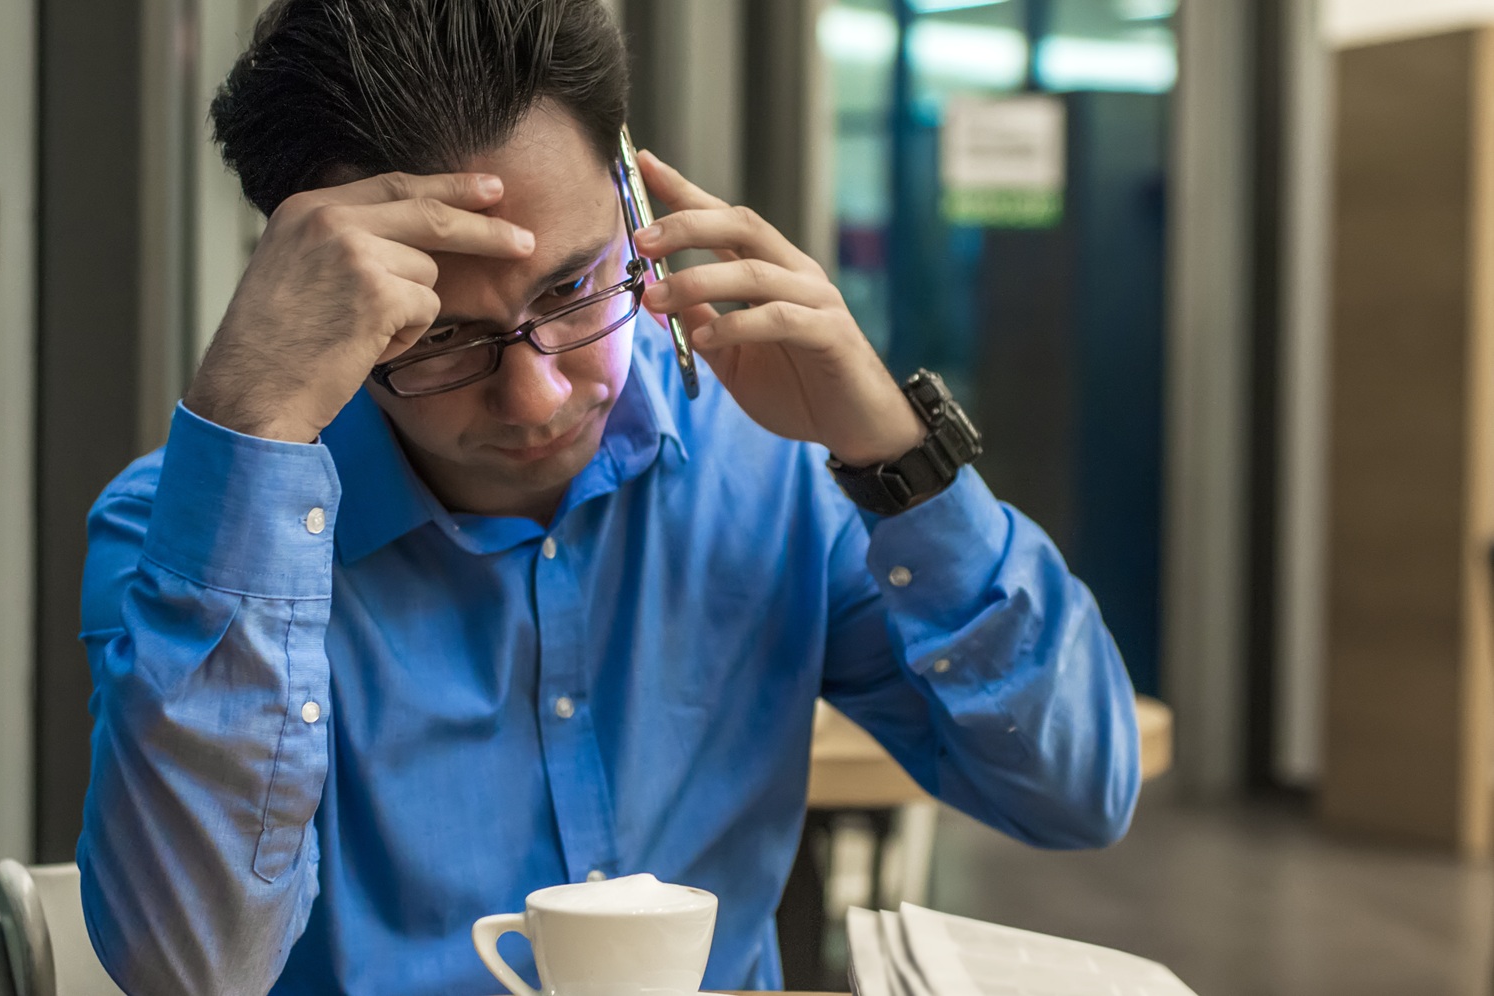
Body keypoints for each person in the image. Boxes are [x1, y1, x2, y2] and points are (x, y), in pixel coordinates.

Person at [77, 0, 1141, 993]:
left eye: (575, 287)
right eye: (441, 338)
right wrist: (247, 419)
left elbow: (1075, 791)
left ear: (636, 196)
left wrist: (898, 459)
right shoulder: (188, 533)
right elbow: (190, 970)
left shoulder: (771, 471)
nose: (537, 395)